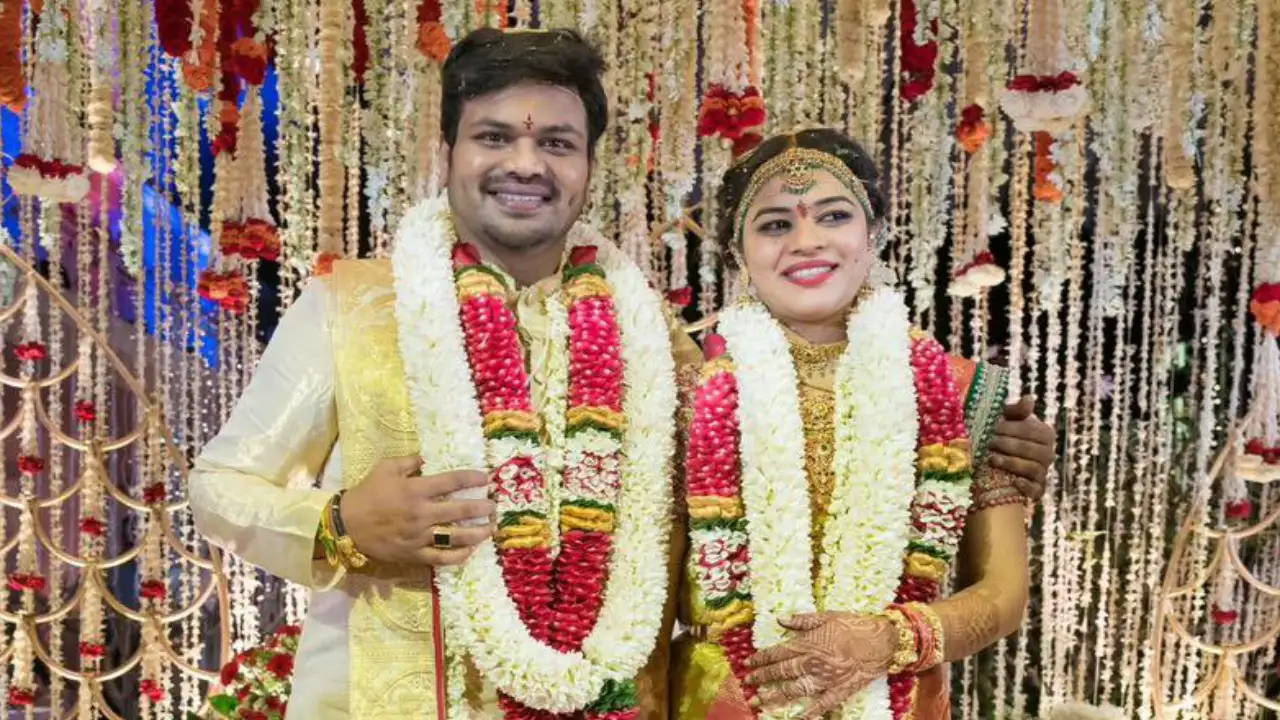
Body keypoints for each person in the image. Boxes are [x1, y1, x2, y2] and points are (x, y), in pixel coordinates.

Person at [189, 28, 702, 719]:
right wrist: (339, 524)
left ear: (589, 165)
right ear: (447, 152)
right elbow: (219, 487)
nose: (526, 164)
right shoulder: (353, 307)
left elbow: (723, 528)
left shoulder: (654, 337)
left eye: (557, 143)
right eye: (494, 137)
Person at [672, 128, 1055, 720]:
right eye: (775, 224)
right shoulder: (688, 398)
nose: (807, 241)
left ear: (873, 232)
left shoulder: (957, 392)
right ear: (736, 253)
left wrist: (886, 640)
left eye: (834, 216)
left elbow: (1003, 594)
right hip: (725, 700)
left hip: (897, 698)